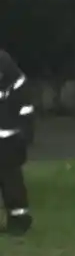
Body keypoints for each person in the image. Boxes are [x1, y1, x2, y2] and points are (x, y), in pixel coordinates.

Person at [0, 49, 35, 235]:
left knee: (11, 182)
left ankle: (19, 220)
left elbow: (26, 110)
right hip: (10, 139)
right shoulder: (15, 80)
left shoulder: (17, 83)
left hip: (11, 141)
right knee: (11, 181)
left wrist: (25, 137)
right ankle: (17, 220)